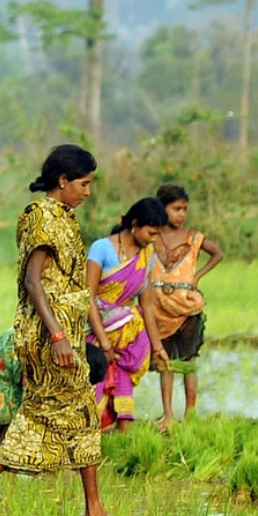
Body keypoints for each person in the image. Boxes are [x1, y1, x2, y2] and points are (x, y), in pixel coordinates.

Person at [0, 145, 127, 516]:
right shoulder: (42, 218)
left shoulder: (64, 217)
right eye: (83, 184)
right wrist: (60, 335)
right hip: (51, 337)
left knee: (79, 412)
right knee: (50, 413)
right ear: (62, 181)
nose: (87, 191)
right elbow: (34, 282)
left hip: (64, 334)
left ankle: (93, 511)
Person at [84, 197, 170, 432]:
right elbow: (88, 297)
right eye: (151, 233)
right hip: (97, 331)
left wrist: (158, 346)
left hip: (130, 335)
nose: (154, 239)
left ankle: (124, 444)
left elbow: (147, 305)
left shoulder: (147, 255)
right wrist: (103, 341)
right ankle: (87, 443)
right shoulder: (101, 248)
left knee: (123, 384)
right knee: (93, 383)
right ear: (135, 224)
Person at [148, 184, 225, 427]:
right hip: (158, 306)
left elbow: (217, 253)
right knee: (165, 362)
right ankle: (168, 414)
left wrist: (197, 275)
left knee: (189, 360)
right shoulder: (153, 236)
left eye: (184, 209)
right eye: (176, 209)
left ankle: (190, 412)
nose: (181, 214)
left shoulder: (193, 237)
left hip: (186, 306)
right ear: (163, 208)